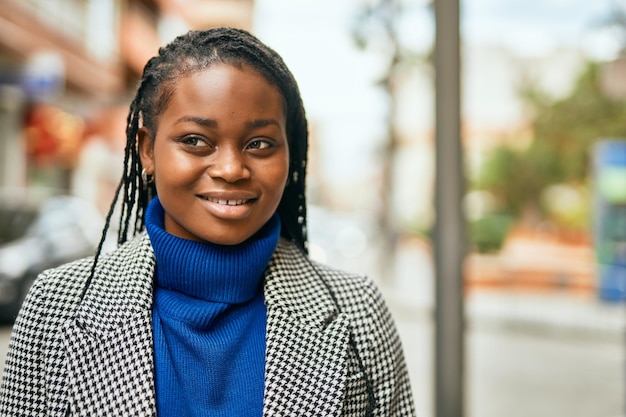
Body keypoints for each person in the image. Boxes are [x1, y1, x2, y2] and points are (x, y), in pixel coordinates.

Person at [0, 27, 416, 416]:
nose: (231, 168)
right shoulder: (58, 306)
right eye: (195, 140)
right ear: (147, 150)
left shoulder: (356, 308)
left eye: (260, 144)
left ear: (291, 156)